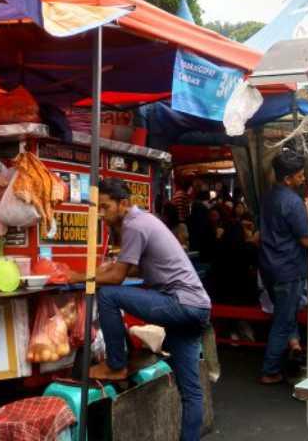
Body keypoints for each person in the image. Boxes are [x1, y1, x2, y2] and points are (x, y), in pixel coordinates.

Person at [74, 178, 210, 441]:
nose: (102, 214)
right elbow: (134, 269)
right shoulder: (144, 221)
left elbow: (116, 279)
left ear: (123, 204)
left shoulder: (134, 225)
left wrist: (75, 276)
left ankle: (116, 364)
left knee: (109, 295)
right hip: (197, 307)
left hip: (181, 304)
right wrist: (105, 270)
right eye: (98, 209)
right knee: (191, 392)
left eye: (105, 207)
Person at [258, 150, 308, 385]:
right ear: (288, 178)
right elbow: (306, 239)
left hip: (269, 266)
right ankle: (270, 370)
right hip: (288, 269)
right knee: (283, 319)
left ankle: (295, 347)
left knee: (285, 316)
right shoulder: (293, 201)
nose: (303, 179)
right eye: (300, 175)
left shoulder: (268, 196)